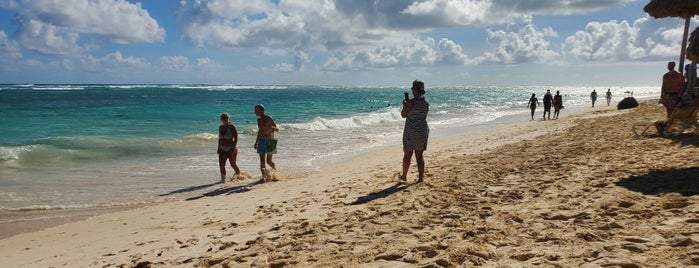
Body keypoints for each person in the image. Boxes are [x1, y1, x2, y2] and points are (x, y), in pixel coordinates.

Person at [399, 80, 429, 183]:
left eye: (413, 88)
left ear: (416, 90)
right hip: (422, 130)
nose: (412, 90)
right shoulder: (426, 103)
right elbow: (419, 115)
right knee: (419, 156)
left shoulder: (411, 102)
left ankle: (404, 176)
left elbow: (403, 115)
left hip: (411, 130)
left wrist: (405, 105)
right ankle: (420, 178)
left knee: (408, 154)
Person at [254, 104, 279, 181]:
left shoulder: (268, 118)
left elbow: (277, 128)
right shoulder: (258, 120)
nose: (254, 112)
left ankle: (275, 173)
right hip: (261, 140)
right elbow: (259, 131)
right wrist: (256, 142)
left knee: (269, 161)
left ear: (261, 110)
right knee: (262, 160)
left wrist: (273, 128)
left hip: (270, 140)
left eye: (256, 110)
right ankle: (263, 177)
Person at [217, 113, 240, 183]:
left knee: (232, 164)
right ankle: (223, 179)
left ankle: (239, 175)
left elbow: (236, 137)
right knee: (221, 165)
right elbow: (219, 139)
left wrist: (234, 146)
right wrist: (218, 148)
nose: (225, 119)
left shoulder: (231, 126)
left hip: (231, 148)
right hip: (222, 148)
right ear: (221, 119)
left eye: (226, 118)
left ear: (228, 118)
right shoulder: (220, 127)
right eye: (223, 118)